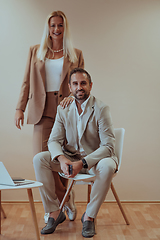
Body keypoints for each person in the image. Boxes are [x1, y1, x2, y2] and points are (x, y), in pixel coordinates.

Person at [14, 11, 84, 222]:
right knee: (41, 159)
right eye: (53, 25)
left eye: (60, 25)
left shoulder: (75, 53)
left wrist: (73, 98)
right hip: (40, 110)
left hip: (65, 111)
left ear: (65, 28)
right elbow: (26, 80)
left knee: (60, 160)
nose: (56, 29)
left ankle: (61, 204)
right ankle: (60, 203)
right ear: (48, 27)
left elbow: (81, 82)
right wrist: (20, 107)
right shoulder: (35, 51)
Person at [33, 68, 118, 238]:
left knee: (108, 165)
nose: (79, 87)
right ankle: (54, 212)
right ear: (70, 87)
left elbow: (108, 146)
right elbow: (53, 141)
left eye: (83, 83)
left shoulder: (101, 108)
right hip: (70, 158)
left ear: (90, 86)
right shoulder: (63, 109)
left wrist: (84, 163)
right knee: (40, 159)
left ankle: (89, 216)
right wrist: (62, 158)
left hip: (95, 160)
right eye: (75, 84)